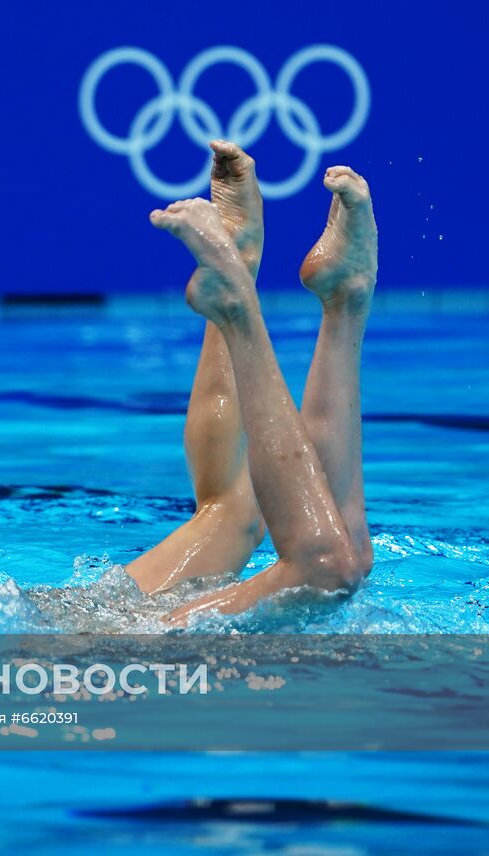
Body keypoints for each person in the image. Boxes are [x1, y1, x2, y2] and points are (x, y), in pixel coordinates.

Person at [130, 140, 377, 622]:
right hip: (100, 633)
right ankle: (336, 303)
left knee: (233, 514)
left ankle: (242, 271)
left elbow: (228, 506)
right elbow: (323, 569)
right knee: (335, 561)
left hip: (89, 627)